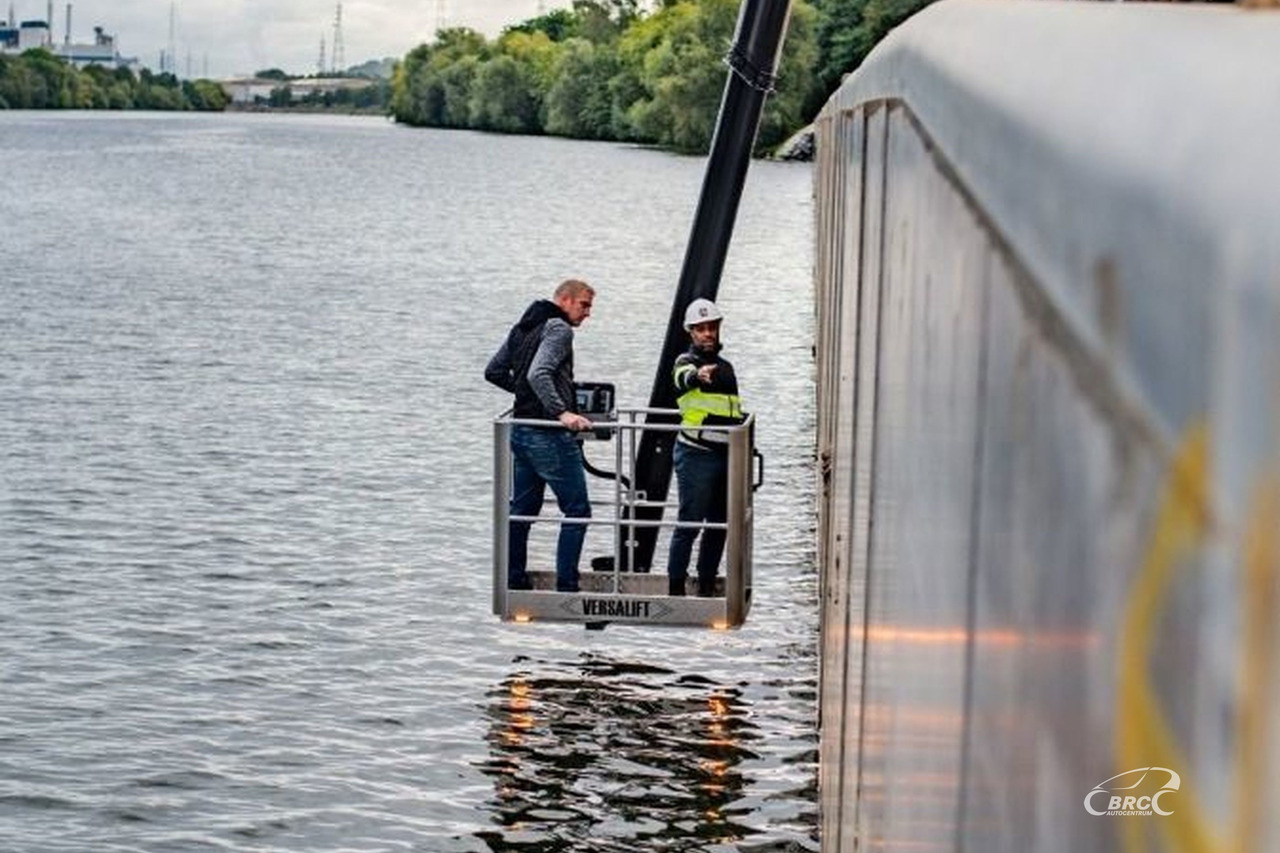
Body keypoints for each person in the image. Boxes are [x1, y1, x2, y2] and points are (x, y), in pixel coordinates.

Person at [485, 279, 596, 592]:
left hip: (521, 432)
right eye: (583, 305)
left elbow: (494, 371)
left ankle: (514, 577)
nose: (587, 313)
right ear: (563, 299)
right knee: (577, 510)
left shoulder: (523, 327)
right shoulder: (559, 329)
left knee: (522, 511)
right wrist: (562, 411)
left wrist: (526, 395)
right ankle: (567, 584)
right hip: (548, 435)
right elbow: (538, 372)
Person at [666, 298, 744, 597]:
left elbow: (732, 411)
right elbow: (680, 378)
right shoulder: (685, 362)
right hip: (696, 454)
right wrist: (696, 376)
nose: (708, 333)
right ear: (691, 333)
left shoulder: (726, 368)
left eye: (712, 327)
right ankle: (676, 589)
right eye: (701, 329)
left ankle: (707, 583)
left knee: (719, 524)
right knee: (689, 524)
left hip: (727, 455)